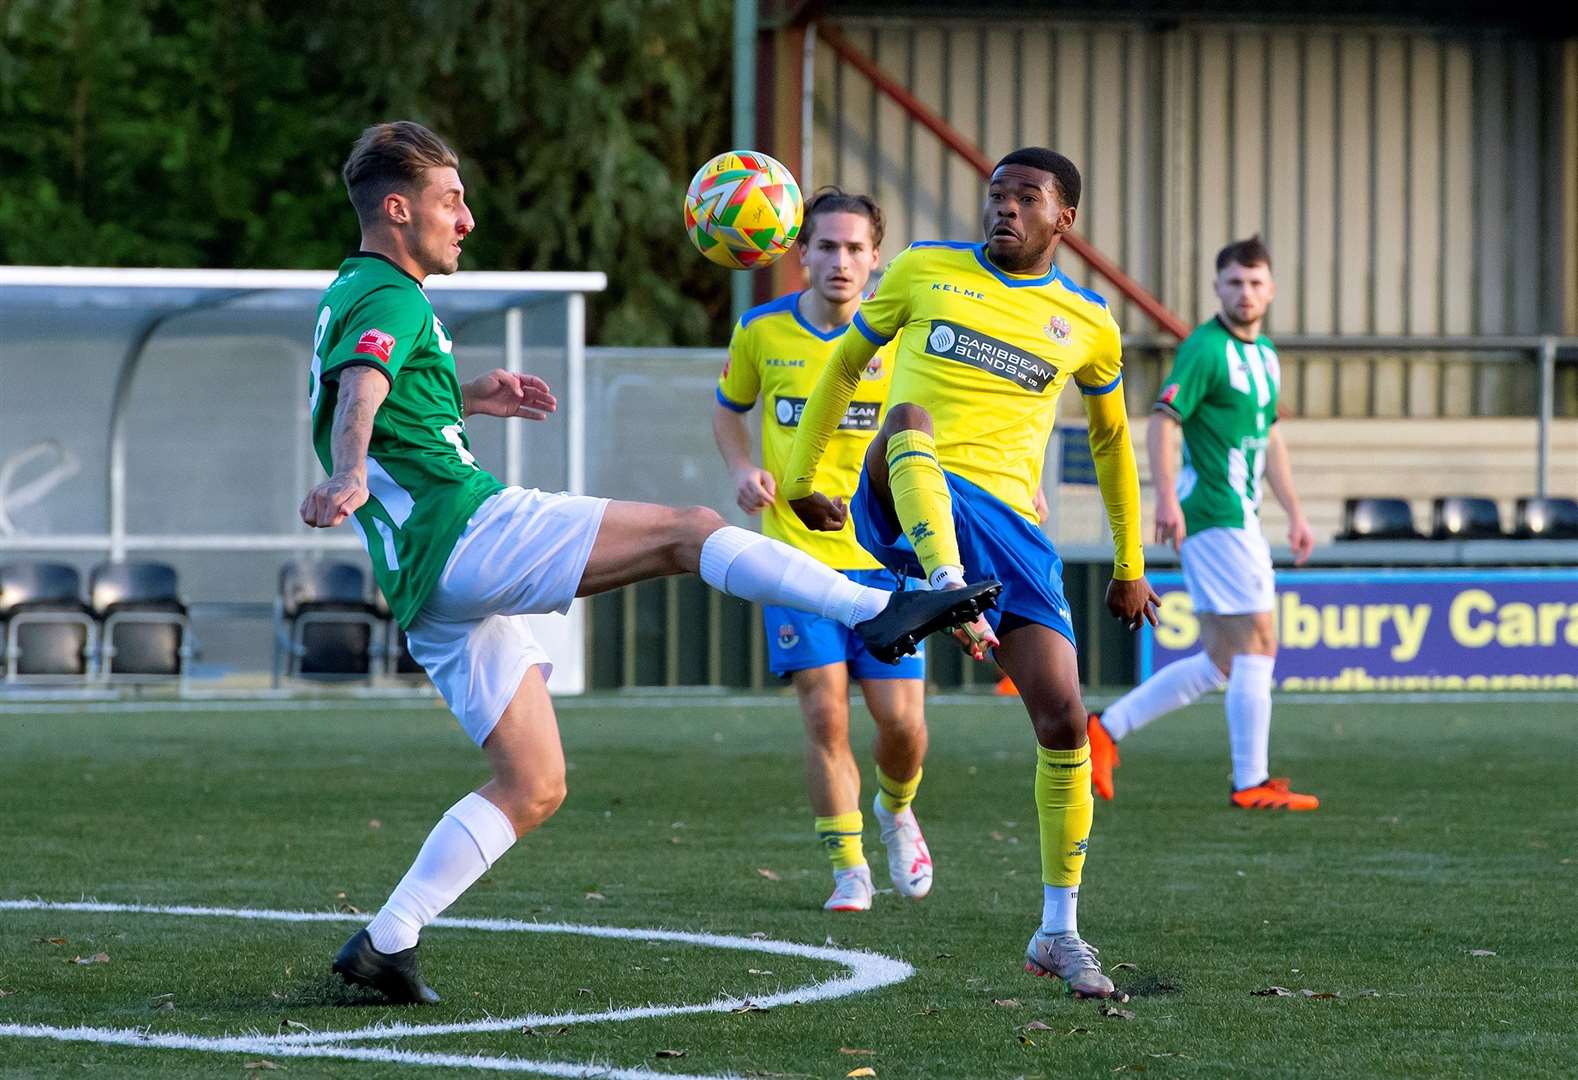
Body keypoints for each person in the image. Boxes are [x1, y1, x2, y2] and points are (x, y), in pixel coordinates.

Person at [300, 121, 997, 1004]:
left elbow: (379, 388)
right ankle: (876, 608)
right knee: (689, 529)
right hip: (463, 530)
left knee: (535, 781)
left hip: (424, 579)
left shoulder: (359, 291)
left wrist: (466, 395)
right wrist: (351, 468)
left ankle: (386, 942)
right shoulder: (392, 298)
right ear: (397, 210)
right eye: (451, 201)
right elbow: (360, 390)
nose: (466, 218)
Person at [782, 147, 1159, 999]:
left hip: (1013, 533)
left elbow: (1110, 442)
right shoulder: (923, 270)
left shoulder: (1088, 323)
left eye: (1027, 198)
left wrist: (1130, 564)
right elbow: (847, 367)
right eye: (996, 196)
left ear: (1065, 219)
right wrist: (809, 481)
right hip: (909, 488)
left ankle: (1058, 931)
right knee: (908, 415)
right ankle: (946, 585)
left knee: (1065, 719)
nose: (1005, 210)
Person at [714, 188, 941, 914]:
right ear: (800, 252)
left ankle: (896, 811)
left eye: (855, 249)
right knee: (825, 716)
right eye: (826, 246)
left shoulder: (903, 338)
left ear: (877, 260)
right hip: (794, 557)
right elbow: (728, 410)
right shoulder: (760, 330)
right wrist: (742, 471)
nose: (840, 261)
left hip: (890, 560)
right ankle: (848, 867)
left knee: (902, 724)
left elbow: (943, 421)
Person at [1088, 236, 1318, 811]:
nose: (1246, 293)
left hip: (1240, 517)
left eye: (1256, 283)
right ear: (1217, 287)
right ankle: (1250, 781)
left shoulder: (1265, 355)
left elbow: (1270, 440)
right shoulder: (1205, 349)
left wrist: (1294, 512)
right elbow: (1164, 421)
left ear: (1271, 289)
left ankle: (1104, 731)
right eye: (1235, 282)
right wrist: (1164, 497)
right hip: (1214, 514)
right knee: (1260, 642)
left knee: (1221, 659)